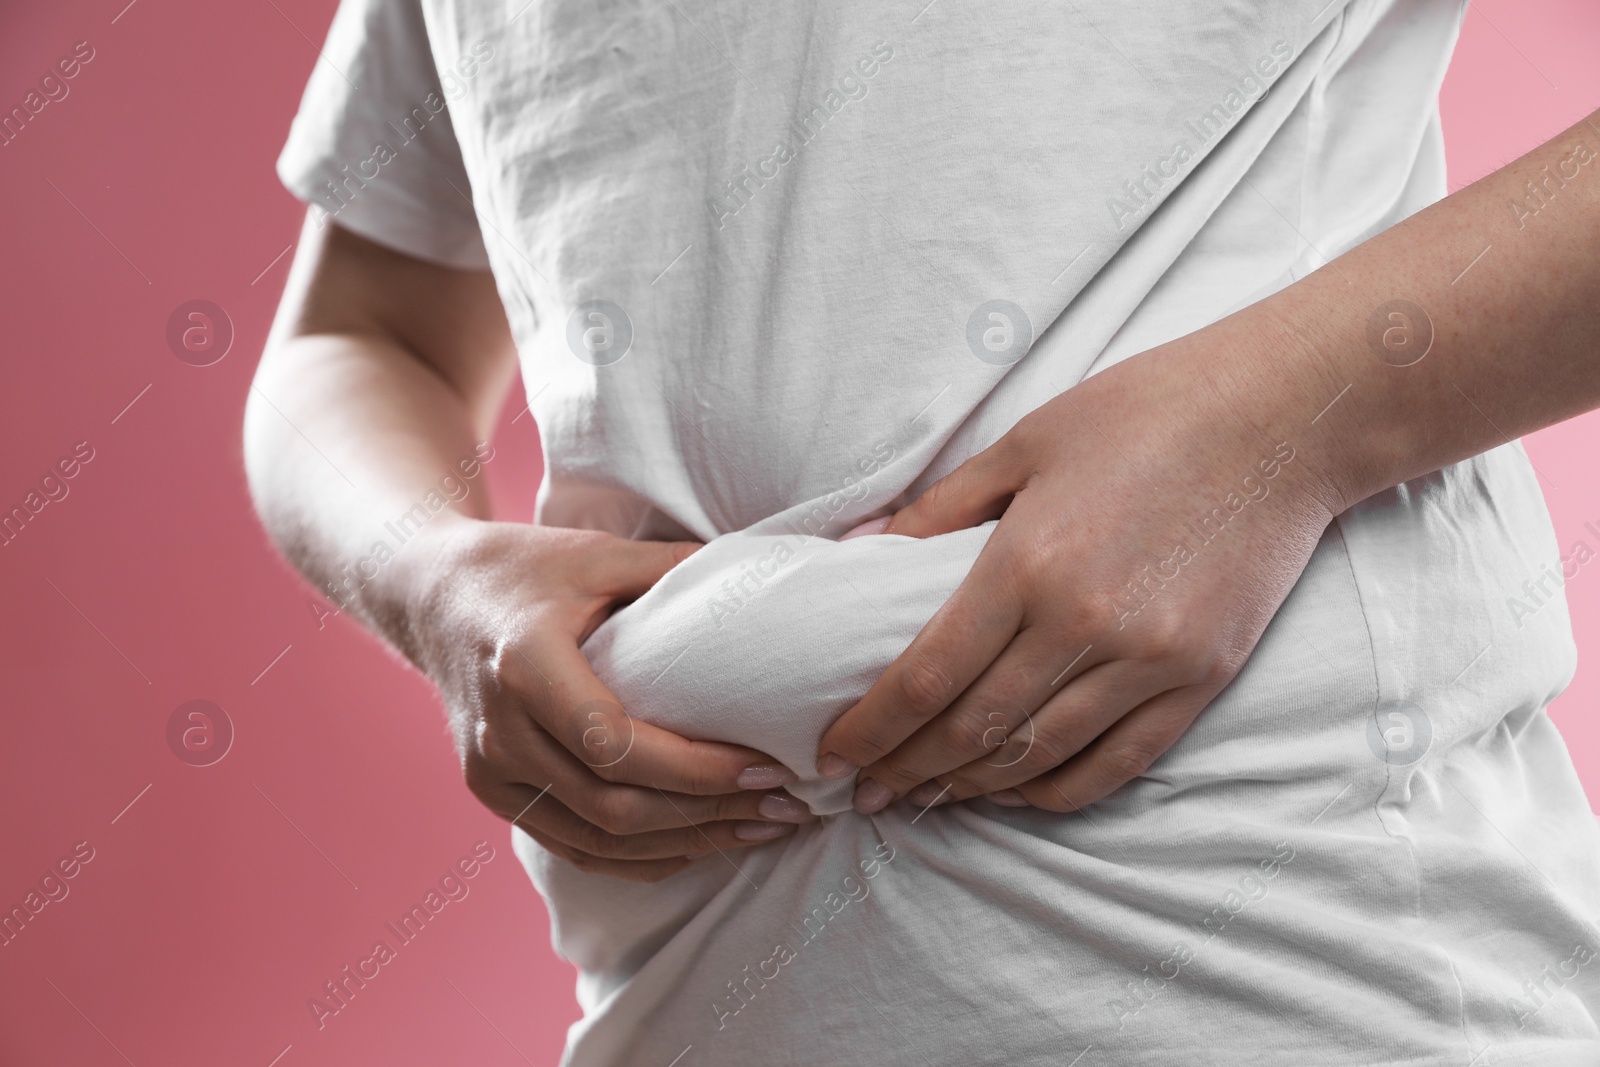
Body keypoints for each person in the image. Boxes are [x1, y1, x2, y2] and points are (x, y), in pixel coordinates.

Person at [246, 0, 1600, 1061]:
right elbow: (357, 333)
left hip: (1307, 967)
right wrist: (434, 578)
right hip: (689, 998)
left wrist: (1288, 419)